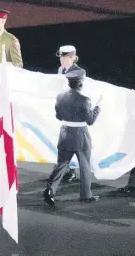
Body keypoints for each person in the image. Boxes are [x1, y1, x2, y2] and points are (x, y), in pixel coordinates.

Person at [44, 67, 102, 206]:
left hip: (65, 134)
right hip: (81, 137)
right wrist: (98, 107)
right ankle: (86, 195)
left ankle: (50, 189)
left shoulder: (60, 97)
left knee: (61, 164)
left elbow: (58, 116)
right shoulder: (85, 100)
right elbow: (91, 121)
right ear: (81, 82)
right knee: (85, 166)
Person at [55, 45, 83, 182]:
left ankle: (72, 170)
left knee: (72, 144)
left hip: (73, 112)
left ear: (72, 58)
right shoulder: (60, 70)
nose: (62, 60)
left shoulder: (79, 71)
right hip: (62, 109)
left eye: (65, 57)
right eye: (61, 57)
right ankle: (66, 169)